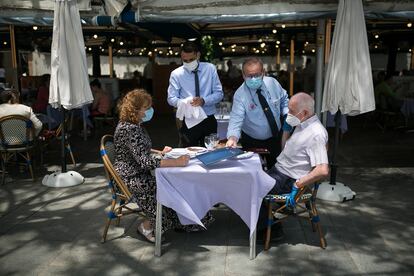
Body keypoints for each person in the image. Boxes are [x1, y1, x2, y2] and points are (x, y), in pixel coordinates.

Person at [114, 89, 214, 242]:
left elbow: (140, 150)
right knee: (170, 189)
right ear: (135, 110)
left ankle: (185, 221)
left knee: (176, 184)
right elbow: (145, 162)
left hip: (137, 173)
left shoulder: (133, 126)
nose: (150, 111)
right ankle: (147, 226)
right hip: (131, 178)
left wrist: (160, 152)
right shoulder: (130, 130)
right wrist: (176, 162)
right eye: (146, 108)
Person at [257, 92, 329, 239]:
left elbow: (322, 170)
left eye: (291, 111)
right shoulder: (302, 123)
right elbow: (286, 151)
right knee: (249, 176)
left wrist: (298, 184)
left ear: (304, 112)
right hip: (279, 171)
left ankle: (270, 229)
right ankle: (263, 221)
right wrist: (285, 131)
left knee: (251, 187)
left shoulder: (316, 133)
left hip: (288, 179)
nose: (288, 114)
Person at [226, 57, 290, 168]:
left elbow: (284, 100)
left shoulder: (273, 83)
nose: (253, 79)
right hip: (252, 140)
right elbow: (236, 118)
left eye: (257, 75)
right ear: (243, 75)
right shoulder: (240, 95)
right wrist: (232, 137)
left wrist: (286, 116)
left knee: (278, 171)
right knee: (253, 174)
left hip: (275, 137)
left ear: (263, 72)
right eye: (249, 76)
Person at [167, 41, 223, 147]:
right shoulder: (176, 74)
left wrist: (204, 100)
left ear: (198, 55)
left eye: (191, 59)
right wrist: (185, 102)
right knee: (188, 155)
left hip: (208, 118)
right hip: (189, 120)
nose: (188, 62)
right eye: (185, 60)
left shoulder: (210, 69)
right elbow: (171, 99)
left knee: (210, 153)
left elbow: (219, 94)